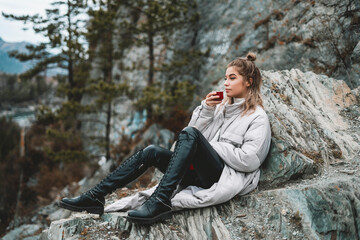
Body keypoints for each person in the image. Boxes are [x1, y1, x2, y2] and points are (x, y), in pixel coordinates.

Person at [57, 52, 272, 225]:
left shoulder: (257, 117)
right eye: (225, 77)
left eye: (232, 78)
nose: (226, 83)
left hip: (219, 177)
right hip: (195, 173)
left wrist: (213, 147)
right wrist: (205, 110)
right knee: (152, 151)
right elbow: (186, 140)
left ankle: (159, 201)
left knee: (190, 135)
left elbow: (251, 160)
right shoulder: (220, 109)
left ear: (248, 81)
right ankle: (96, 196)